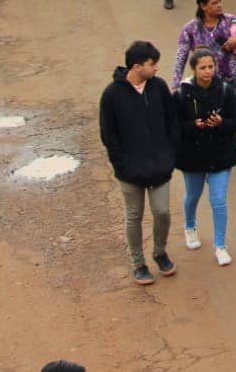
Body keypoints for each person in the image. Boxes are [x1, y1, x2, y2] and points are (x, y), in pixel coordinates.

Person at [99, 41, 179, 286]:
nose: (156, 68)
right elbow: (108, 134)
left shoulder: (159, 87)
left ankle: (159, 252)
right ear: (136, 66)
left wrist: (170, 155)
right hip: (130, 172)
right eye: (151, 64)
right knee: (134, 216)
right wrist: (122, 165)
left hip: (159, 167)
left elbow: (171, 122)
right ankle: (138, 263)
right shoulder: (112, 94)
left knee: (162, 212)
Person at [175, 48, 236, 267]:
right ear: (193, 69)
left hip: (220, 154)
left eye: (211, 67)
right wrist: (192, 126)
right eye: (203, 67)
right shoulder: (181, 94)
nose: (208, 71)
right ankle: (190, 226)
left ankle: (220, 245)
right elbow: (174, 126)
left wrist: (221, 123)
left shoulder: (225, 90)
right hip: (192, 155)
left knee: (218, 200)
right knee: (193, 194)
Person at [172, 0, 236, 98]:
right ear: (203, 6)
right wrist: (176, 84)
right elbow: (181, 57)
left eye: (219, 1)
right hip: (205, 84)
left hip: (231, 81)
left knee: (234, 115)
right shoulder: (191, 29)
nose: (219, 5)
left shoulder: (232, 21)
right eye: (214, 3)